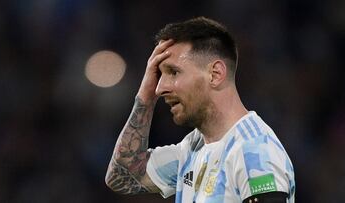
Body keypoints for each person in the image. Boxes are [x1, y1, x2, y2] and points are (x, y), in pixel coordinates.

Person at [105, 16, 295, 203]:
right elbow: (122, 176)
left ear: (215, 74)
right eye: (159, 74)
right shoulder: (192, 148)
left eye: (173, 72)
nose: (160, 88)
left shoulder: (254, 153)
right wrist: (145, 97)